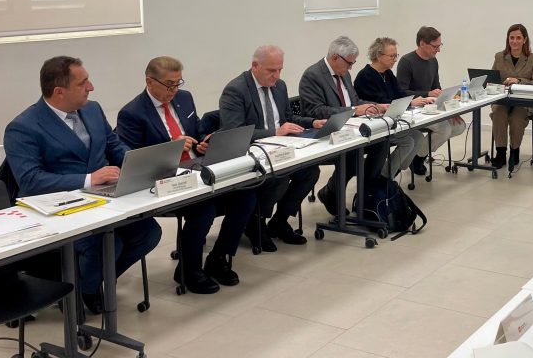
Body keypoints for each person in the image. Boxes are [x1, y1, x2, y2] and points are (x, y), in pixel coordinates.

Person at [4, 56, 162, 314]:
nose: (91, 87)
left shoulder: (92, 109)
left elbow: (113, 144)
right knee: (107, 243)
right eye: (83, 82)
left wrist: (141, 164)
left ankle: (86, 287)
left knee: (148, 233)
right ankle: (77, 294)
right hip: (60, 206)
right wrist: (89, 179)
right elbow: (31, 181)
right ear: (59, 92)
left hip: (105, 198)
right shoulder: (23, 127)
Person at [116, 56, 257, 293]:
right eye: (168, 85)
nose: (174, 90)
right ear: (149, 82)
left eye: (177, 83)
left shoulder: (184, 97)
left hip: (197, 168)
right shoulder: (132, 113)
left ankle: (219, 256)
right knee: (204, 208)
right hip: (163, 181)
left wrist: (203, 143)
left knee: (246, 195)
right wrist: (171, 146)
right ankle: (188, 269)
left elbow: (197, 129)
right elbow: (134, 161)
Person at [220, 45, 323, 251]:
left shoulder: (280, 86)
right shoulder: (236, 90)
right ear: (255, 66)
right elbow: (235, 132)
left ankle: (280, 220)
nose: (276, 76)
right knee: (279, 177)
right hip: (253, 154)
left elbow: (287, 119)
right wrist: (275, 132)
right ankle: (256, 223)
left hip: (281, 148)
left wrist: (312, 122)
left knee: (310, 172)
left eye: (280, 70)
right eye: (271, 70)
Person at [299, 36, 390, 216]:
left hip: (350, 128)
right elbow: (315, 111)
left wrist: (374, 106)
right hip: (325, 132)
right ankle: (331, 192)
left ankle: (367, 194)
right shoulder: (312, 75)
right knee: (351, 153)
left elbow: (354, 102)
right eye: (349, 63)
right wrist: (354, 110)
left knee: (381, 142)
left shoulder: (344, 73)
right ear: (335, 58)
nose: (350, 68)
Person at [353, 37, 430, 178]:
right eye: (392, 56)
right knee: (408, 141)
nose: (395, 59)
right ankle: (384, 178)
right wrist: (410, 103)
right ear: (378, 56)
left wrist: (413, 100)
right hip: (376, 124)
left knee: (418, 137)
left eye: (396, 55)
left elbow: (399, 94)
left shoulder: (387, 73)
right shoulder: (365, 76)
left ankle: (391, 172)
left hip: (391, 120)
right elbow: (381, 102)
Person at [395, 26, 466, 175]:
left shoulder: (433, 61)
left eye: (440, 45)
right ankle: (419, 157)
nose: (438, 50)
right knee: (444, 129)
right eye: (435, 46)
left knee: (459, 126)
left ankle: (419, 153)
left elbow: (437, 90)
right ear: (422, 44)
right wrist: (426, 94)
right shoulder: (407, 62)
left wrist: (449, 108)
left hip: (431, 108)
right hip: (413, 110)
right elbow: (401, 92)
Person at [489, 23, 533, 170]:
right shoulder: (500, 57)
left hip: (525, 101)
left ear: (524, 40)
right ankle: (500, 153)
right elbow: (493, 80)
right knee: (498, 113)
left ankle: (514, 151)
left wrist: (519, 81)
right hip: (503, 99)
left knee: (517, 117)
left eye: (518, 38)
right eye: (511, 38)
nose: (514, 41)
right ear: (508, 39)